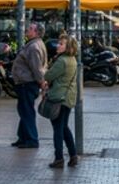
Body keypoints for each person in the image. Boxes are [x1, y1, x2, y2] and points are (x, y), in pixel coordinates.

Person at [42, 35, 79, 169]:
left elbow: (48, 75)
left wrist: (47, 69)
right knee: (64, 127)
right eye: (59, 43)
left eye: (61, 44)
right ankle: (73, 155)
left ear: (68, 47)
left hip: (59, 98)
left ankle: (59, 158)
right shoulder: (72, 59)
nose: (58, 45)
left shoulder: (62, 61)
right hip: (68, 98)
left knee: (58, 128)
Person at [9, 22, 47, 149]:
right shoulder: (34, 44)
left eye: (30, 28)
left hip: (27, 83)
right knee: (24, 110)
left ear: (36, 32)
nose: (27, 30)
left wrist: (41, 82)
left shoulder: (34, 47)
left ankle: (31, 139)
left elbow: (36, 68)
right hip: (25, 83)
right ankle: (23, 137)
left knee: (27, 111)